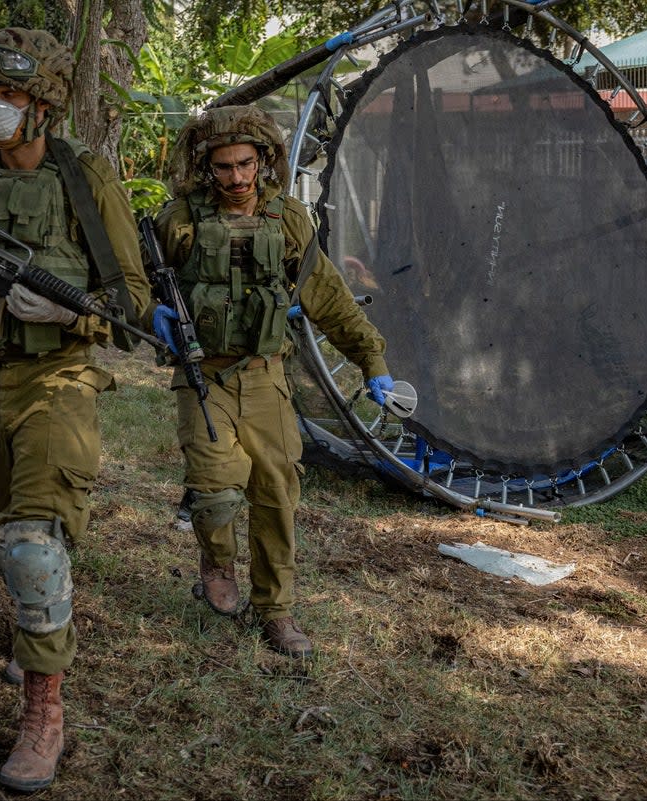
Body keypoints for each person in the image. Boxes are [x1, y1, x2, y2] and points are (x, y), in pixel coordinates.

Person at [0, 27, 150, 793]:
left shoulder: (88, 182)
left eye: (11, 95)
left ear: (44, 104)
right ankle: (37, 613)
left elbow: (132, 304)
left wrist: (67, 314)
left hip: (59, 379)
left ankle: (43, 710)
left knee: (35, 541)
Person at [149, 105, 393, 658]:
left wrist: (372, 361)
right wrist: (151, 316)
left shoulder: (287, 222)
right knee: (215, 491)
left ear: (263, 161)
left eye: (245, 164)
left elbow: (328, 296)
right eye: (224, 167)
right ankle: (216, 560)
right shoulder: (179, 222)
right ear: (206, 168)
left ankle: (276, 611)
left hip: (265, 378)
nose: (236, 178)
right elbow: (137, 287)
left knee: (276, 495)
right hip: (204, 377)